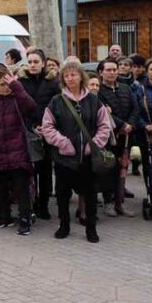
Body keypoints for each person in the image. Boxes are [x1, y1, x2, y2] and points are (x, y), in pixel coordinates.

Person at [42, 60, 112, 242]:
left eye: (73, 74)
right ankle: (63, 226)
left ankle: (91, 229)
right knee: (63, 195)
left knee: (89, 195)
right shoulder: (56, 101)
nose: (70, 78)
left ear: (81, 76)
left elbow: (104, 126)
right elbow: (47, 127)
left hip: (88, 159)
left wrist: (93, 145)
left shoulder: (94, 100)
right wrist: (63, 143)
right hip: (64, 158)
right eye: (66, 75)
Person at [0, 65, 37, 234]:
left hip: (18, 151)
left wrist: (17, 87)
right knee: (0, 187)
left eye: (8, 84)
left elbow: (32, 106)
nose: (5, 88)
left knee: (22, 188)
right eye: (2, 85)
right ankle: (4, 216)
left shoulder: (18, 99)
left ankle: (25, 219)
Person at [18, 48, 59, 219]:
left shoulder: (53, 82)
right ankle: (32, 202)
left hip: (48, 131)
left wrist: (46, 126)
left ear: (43, 63)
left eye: (36, 62)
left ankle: (44, 205)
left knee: (46, 170)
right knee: (30, 171)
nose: (33, 65)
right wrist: (32, 126)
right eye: (30, 62)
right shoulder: (21, 82)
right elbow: (20, 108)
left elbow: (56, 106)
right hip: (28, 131)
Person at [97, 58, 140, 217]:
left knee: (122, 170)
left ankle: (119, 203)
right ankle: (108, 202)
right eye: (108, 70)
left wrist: (130, 125)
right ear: (101, 72)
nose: (112, 72)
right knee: (108, 169)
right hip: (108, 138)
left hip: (126, 137)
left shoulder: (125, 88)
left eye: (114, 69)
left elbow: (136, 108)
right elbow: (104, 112)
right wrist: (121, 125)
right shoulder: (98, 90)